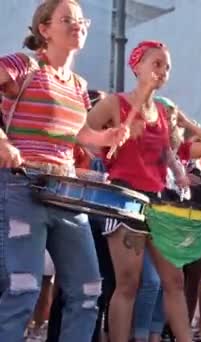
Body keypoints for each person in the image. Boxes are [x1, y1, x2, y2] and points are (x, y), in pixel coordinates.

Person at [0, 1, 129, 341]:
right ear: (44, 30)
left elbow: (79, 135)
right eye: (67, 20)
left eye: (81, 20)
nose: (78, 25)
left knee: (88, 291)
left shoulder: (77, 84)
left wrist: (106, 136)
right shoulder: (23, 65)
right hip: (21, 187)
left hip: (67, 192)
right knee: (23, 289)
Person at [86, 40, 194, 342]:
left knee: (174, 279)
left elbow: (167, 153)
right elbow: (81, 133)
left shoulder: (162, 110)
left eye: (167, 66)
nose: (162, 71)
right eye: (156, 63)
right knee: (129, 283)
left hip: (158, 202)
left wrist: (180, 173)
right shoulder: (114, 103)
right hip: (123, 198)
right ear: (137, 67)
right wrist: (109, 141)